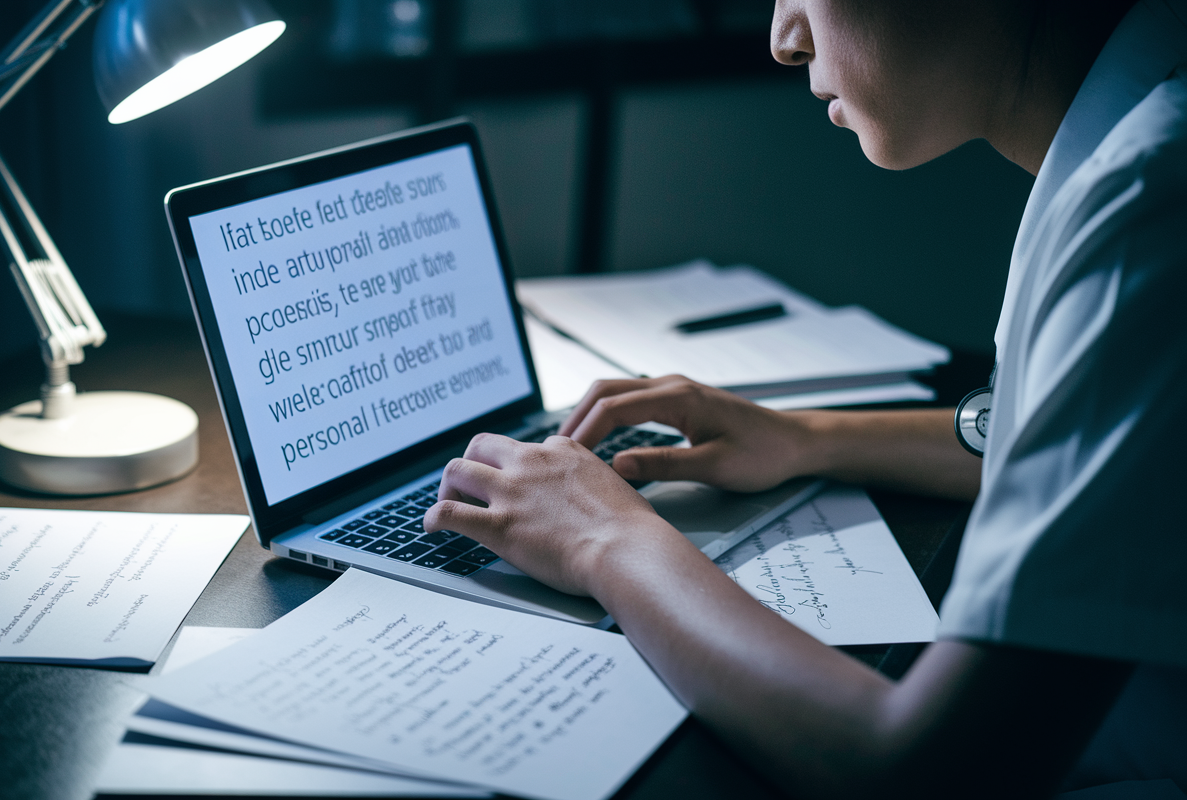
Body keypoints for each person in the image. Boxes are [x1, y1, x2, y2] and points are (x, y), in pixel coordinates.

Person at [423, 1, 1187, 796]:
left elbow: (920, 769)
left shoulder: (1152, 201)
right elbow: (1070, 447)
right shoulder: (1141, 135)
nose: (784, 40)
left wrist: (606, 540)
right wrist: (805, 437)